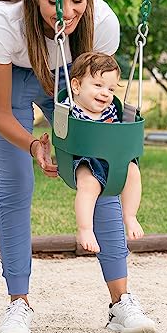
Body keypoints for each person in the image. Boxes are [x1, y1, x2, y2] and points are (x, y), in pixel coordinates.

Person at [0, 0, 156, 333]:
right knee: (17, 181)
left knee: (103, 172)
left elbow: (98, 93)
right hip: (11, 80)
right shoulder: (5, 20)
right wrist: (34, 144)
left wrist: (97, 141)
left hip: (68, 77)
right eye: (54, 0)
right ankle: (18, 304)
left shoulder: (103, 23)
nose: (68, 11)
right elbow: (2, 114)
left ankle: (121, 302)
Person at [62, 52, 144, 254]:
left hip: (112, 158)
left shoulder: (112, 110)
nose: (106, 93)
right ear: (76, 86)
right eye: (98, 86)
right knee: (88, 183)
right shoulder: (70, 108)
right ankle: (85, 229)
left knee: (133, 171)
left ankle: (130, 216)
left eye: (111, 88)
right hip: (83, 159)